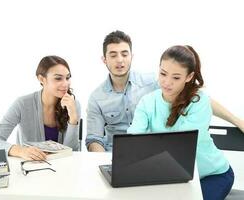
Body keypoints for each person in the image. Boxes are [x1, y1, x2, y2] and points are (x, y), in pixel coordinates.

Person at [86, 30, 244, 152]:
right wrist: (103, 162)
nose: (120, 60)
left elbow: (195, 97)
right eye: (113, 55)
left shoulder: (155, 82)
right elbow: (94, 139)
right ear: (104, 60)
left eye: (124, 54)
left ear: (131, 56)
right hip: (113, 154)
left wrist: (237, 121)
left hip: (151, 154)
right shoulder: (96, 97)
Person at [127, 45, 234, 200]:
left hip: (212, 175)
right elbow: (133, 140)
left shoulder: (199, 101)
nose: (167, 82)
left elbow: (182, 145)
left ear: (189, 77)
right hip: (172, 175)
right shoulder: (147, 102)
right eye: (163, 73)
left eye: (176, 77)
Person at [0, 55, 80, 160]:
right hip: (31, 170)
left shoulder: (72, 104)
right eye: (58, 78)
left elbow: (73, 152)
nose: (65, 83)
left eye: (67, 77)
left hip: (63, 170)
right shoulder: (22, 104)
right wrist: (21, 151)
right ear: (41, 79)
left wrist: (73, 118)